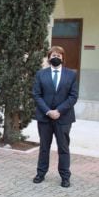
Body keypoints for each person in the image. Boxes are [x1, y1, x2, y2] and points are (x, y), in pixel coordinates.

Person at [32, 46, 79, 188]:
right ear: (48, 57)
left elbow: (73, 96)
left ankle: (65, 176)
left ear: (63, 58)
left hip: (63, 118)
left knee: (63, 148)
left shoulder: (71, 75)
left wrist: (59, 111)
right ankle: (41, 173)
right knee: (44, 147)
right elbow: (36, 95)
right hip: (45, 117)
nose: (56, 57)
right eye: (53, 55)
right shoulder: (41, 74)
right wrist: (48, 111)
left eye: (59, 55)